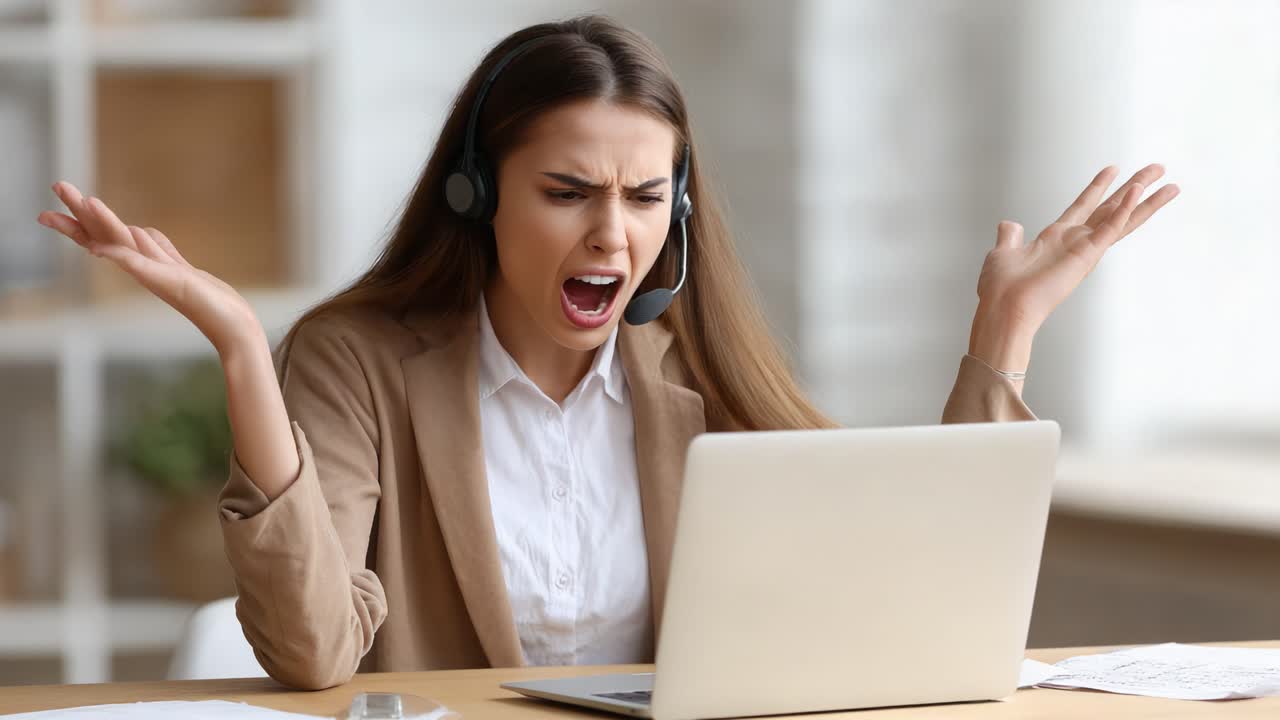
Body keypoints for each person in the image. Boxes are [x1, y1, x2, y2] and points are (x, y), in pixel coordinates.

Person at [36, 14, 1177, 690]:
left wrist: (1004, 334)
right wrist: (242, 347)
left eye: (643, 197)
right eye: (567, 192)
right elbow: (317, 652)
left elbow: (899, 601)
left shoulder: (697, 367)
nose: (611, 234)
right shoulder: (358, 359)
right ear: (475, 195)